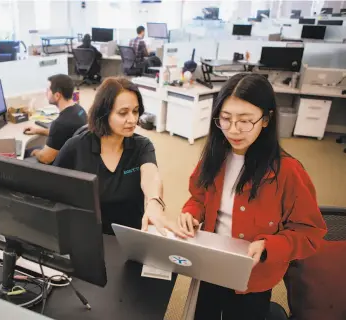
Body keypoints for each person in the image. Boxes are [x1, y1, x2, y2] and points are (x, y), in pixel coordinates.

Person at [144, 73, 327, 319]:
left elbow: (310, 233)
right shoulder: (215, 156)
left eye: (245, 121)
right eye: (226, 119)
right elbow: (198, 196)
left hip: (254, 279)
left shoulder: (288, 172)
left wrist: (268, 246)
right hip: (208, 265)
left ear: (266, 119)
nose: (233, 130)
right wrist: (191, 212)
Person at [53, 77, 164, 235]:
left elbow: (151, 175)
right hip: (88, 236)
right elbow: (51, 189)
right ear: (104, 113)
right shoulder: (76, 147)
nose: (132, 120)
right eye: (123, 113)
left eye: (135, 111)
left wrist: (154, 201)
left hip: (129, 237)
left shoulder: (142, 146)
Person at [24, 74, 87, 164]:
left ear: (57, 96)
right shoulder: (80, 110)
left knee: (25, 154)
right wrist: (37, 131)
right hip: (74, 160)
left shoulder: (60, 123)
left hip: (60, 168)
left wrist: (37, 153)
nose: (46, 92)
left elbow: (46, 158)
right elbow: (62, 133)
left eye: (48, 90)